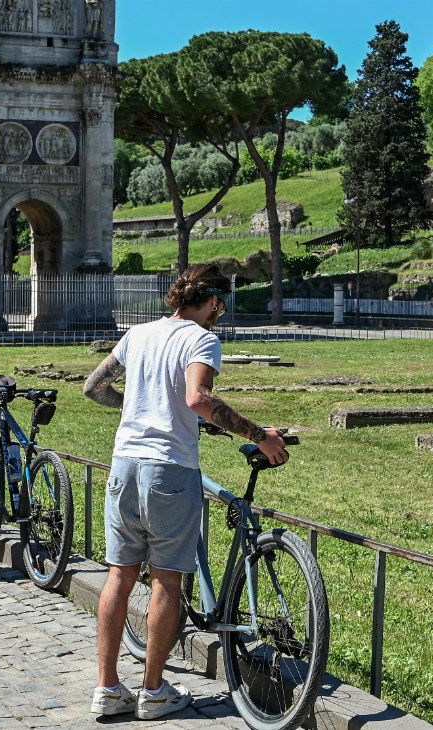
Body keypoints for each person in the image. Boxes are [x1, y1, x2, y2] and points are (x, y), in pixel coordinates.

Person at [83, 263, 287, 719]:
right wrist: (259, 434)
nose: (222, 313)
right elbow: (197, 398)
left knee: (119, 575)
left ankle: (107, 688)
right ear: (213, 301)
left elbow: (93, 387)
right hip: (168, 470)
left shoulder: (138, 334)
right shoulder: (202, 339)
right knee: (167, 581)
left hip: (124, 464)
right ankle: (153, 692)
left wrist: (140, 406)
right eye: (222, 305)